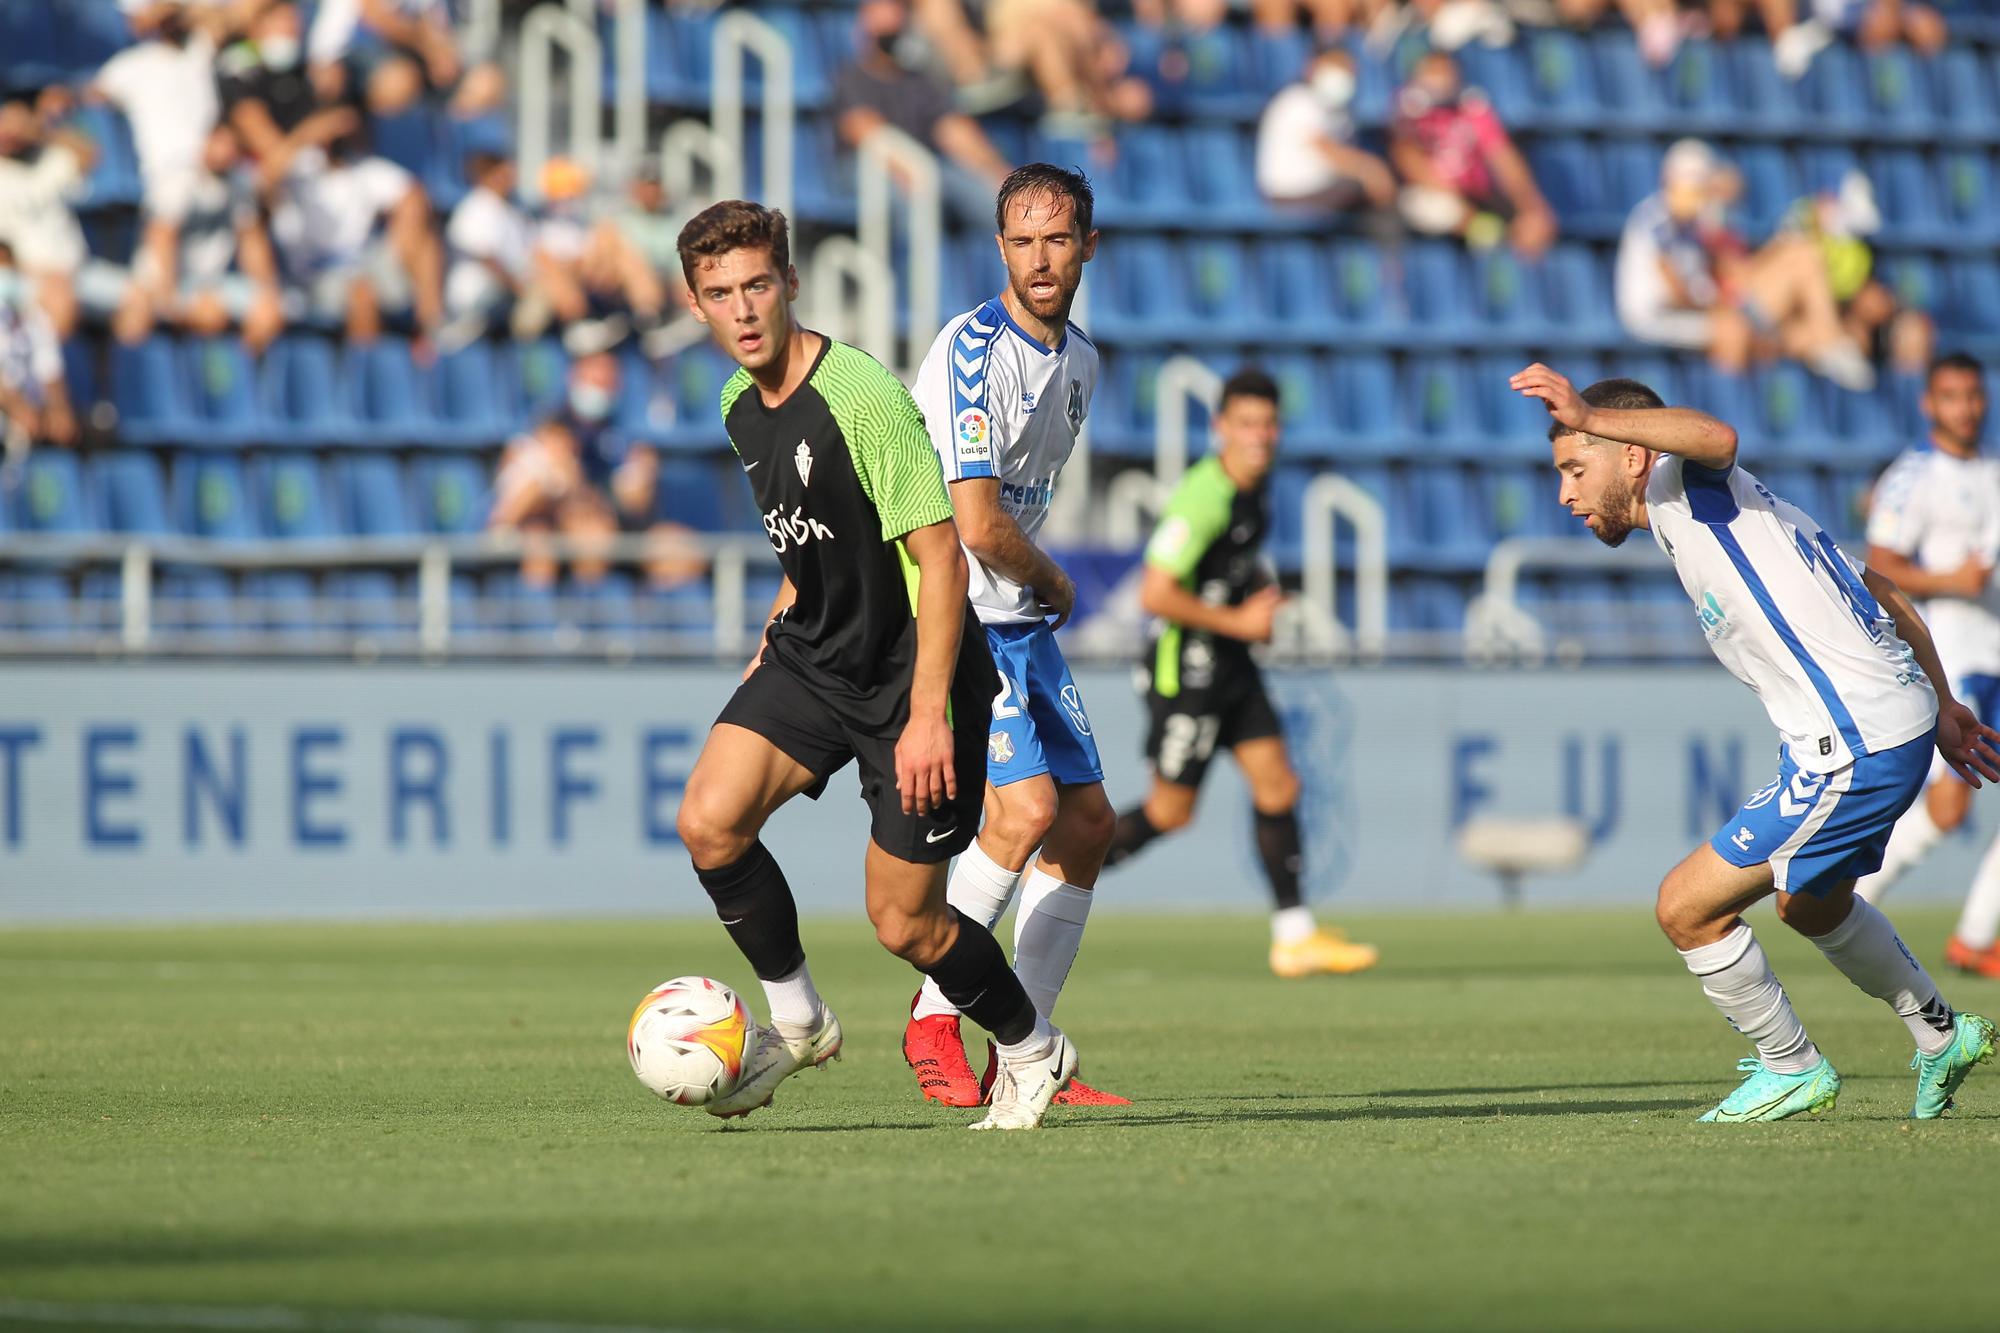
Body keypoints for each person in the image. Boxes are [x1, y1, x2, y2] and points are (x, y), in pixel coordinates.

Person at [671, 199, 1079, 1130]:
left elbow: (941, 558)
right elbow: (810, 546)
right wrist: (765, 650)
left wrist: (929, 713)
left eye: (757, 286)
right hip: (814, 655)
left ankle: (1031, 1047)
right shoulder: (740, 405)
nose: (742, 310)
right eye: (720, 293)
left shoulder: (861, 398)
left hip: (913, 677)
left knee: (905, 924)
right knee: (709, 822)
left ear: (791, 284)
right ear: (695, 306)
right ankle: (799, 1018)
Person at [1512, 361, 1998, 1121]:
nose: (1566, 492)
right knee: (1810, 904)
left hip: (1857, 741)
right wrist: (1939, 700)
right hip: (1868, 731)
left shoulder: (1688, 487)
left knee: (1685, 906)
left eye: (1576, 467)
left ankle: (1793, 1065)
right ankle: (1941, 1033)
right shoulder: (1758, 513)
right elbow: (1881, 589)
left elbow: (1716, 434)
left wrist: (1586, 411)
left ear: (1632, 453)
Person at [901, 164, 1124, 1110]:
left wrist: (1040, 589)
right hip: (960, 604)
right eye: (1022, 241)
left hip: (1018, 615)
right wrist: (1060, 579)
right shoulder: (971, 349)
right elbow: (980, 525)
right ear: (1000, 249)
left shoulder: (1082, 360)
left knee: (1087, 823)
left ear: (1086, 247)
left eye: (1058, 239)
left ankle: (1025, 1050)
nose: (1041, 258)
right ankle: (930, 1017)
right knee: (1026, 811)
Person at [1101, 369, 1378, 978]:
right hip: (1189, 673)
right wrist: (1240, 620)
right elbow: (1155, 593)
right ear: (1220, 427)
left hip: (1231, 666)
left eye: (1268, 424)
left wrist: (1259, 596)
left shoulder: (1255, 487)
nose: (1259, 436)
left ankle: (1294, 937)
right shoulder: (1204, 495)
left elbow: (1229, 565)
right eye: (1246, 424)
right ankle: (1057, 870)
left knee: (1279, 786)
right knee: (1170, 813)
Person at [1855, 355, 2000, 978]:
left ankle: (1974, 936)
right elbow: (1879, 565)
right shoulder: (1912, 477)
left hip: (1995, 647)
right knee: (1947, 812)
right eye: (1951, 396)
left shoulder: (1993, 471)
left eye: (1973, 395)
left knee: (1952, 809)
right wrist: (1952, 581)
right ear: (1929, 404)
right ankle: (1848, 902)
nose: (1965, 407)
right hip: (1956, 653)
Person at [1616, 139, 1875, 389]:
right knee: (1737, 329)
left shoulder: (1698, 223)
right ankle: (1732, 408)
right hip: (1662, 317)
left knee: (1820, 308)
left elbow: (1732, 272)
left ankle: (1828, 342)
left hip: (1706, 306)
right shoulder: (1656, 218)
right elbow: (1674, 291)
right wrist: (1718, 308)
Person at [108, 123, 286, 353]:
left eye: (232, 146)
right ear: (207, 142)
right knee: (135, 317)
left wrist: (267, 288)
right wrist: (168, 297)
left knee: (268, 312)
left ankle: (236, 383)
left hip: (209, 283)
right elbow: (161, 238)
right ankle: (129, 380)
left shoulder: (240, 186)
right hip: (161, 280)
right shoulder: (179, 180)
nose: (225, 152)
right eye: (220, 143)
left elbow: (252, 242)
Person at [832, 0, 1013, 223]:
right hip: (869, 167)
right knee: (914, 202)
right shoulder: (851, 77)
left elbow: (954, 131)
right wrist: (908, 171)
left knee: (995, 201)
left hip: (926, 166)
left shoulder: (920, 81)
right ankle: (917, 258)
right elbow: (865, 131)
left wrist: (1000, 174)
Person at [1389, 51, 1556, 260]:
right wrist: (1466, 213)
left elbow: (1503, 157)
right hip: (1436, 197)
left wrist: (1531, 206)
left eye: (1445, 71)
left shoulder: (1472, 107)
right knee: (1432, 208)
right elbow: (1408, 159)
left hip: (1476, 196)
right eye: (1433, 71)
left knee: (1530, 224)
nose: (1440, 78)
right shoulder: (1409, 108)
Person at [1254, 47, 1396, 218]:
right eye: (1335, 66)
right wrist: (1370, 170)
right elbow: (1327, 150)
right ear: (1312, 67)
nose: (1341, 74)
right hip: (1290, 194)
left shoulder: (1336, 109)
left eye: (1346, 68)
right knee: (1370, 191)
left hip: (1319, 188)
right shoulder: (1298, 100)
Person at [0, 242, 77, 458]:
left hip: (32, 410)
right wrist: (16, 408)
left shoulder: (35, 317)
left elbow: (50, 369)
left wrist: (58, 409)